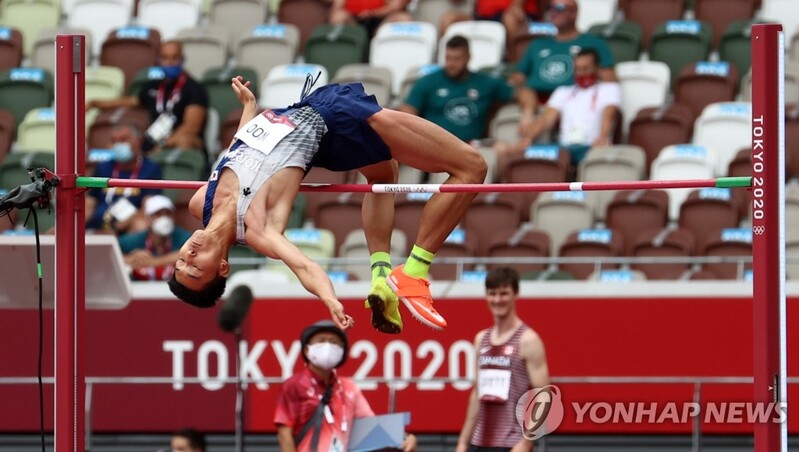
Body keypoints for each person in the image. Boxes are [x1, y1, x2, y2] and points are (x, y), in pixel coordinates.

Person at [167, 75, 487, 333]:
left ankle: (381, 276)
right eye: (195, 269)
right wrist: (330, 300)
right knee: (472, 167)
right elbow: (306, 267)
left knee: (383, 176)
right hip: (340, 119)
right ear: (223, 268)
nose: (188, 257)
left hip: (317, 118)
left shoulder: (200, 203)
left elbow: (239, 150)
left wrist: (249, 108)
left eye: (181, 262)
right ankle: (414, 271)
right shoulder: (258, 229)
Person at [274, 320, 417, 451]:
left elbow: (372, 427)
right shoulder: (294, 385)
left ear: (342, 351)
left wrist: (404, 437)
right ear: (306, 350)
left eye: (334, 342)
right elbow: (284, 434)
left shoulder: (349, 387)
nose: (328, 346)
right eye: (321, 341)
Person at [456, 267, 550, 452]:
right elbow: (477, 393)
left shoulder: (528, 340)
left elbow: (544, 396)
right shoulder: (480, 339)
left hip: (512, 443)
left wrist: (526, 442)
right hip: (480, 442)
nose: (498, 300)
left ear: (516, 294)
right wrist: (462, 442)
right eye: (492, 294)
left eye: (504, 293)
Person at [400, 35, 535, 155]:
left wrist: (528, 114)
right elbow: (407, 113)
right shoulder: (428, 81)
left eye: (457, 59)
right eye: (448, 58)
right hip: (435, 145)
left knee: (503, 148)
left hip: (471, 144)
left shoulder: (484, 83)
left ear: (468, 58)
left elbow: (524, 92)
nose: (451, 64)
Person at [87, 40, 209, 153]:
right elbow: (130, 101)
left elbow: (191, 128)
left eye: (174, 57)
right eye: (165, 58)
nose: (169, 62)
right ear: (158, 60)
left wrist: (162, 145)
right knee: (120, 141)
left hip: (180, 143)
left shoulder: (194, 88)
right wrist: (95, 103)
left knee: (184, 139)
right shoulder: (154, 86)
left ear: (182, 60)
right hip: (154, 140)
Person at [513, 48, 621, 165]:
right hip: (563, 148)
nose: (581, 73)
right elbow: (545, 120)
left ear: (597, 68)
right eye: (577, 69)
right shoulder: (563, 91)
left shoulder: (609, 89)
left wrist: (603, 137)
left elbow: (609, 114)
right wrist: (528, 138)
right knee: (528, 152)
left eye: (585, 69)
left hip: (590, 146)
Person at [510, 0, 616, 109]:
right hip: (535, 104)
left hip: (576, 104)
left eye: (559, 8)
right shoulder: (537, 44)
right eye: (550, 7)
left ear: (574, 13)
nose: (553, 12)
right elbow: (518, 77)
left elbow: (609, 82)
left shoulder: (593, 43)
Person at [85, 123, 164, 234]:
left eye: (123, 140)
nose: (118, 145)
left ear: (138, 141)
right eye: (114, 141)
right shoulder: (103, 167)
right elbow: (89, 203)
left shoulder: (151, 169)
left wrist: (122, 225)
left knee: (141, 225)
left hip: (128, 227)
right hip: (99, 224)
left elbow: (148, 207)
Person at [118, 195, 192, 281]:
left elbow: (189, 254)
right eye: (158, 214)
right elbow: (114, 253)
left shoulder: (182, 236)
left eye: (168, 213)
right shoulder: (136, 239)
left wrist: (154, 261)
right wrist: (133, 259)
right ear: (148, 218)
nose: (164, 218)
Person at [438, 0, 541, 44]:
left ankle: (514, 67)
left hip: (512, 13)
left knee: (510, 19)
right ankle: (447, 64)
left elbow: (516, 8)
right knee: (449, 19)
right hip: (482, 16)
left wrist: (517, 5)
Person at [329, 0, 413, 37]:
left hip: (380, 22)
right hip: (353, 22)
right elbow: (337, 7)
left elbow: (396, 6)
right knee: (338, 17)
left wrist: (372, 13)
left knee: (404, 18)